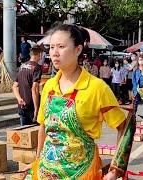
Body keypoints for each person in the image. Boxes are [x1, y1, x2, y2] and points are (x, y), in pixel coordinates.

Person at [23, 24, 126, 180]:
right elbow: (43, 127)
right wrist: (37, 160)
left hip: (81, 171)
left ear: (78, 50)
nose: (54, 53)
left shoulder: (97, 87)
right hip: (47, 171)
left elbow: (124, 128)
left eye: (61, 47)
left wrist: (116, 169)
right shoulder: (49, 86)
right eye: (51, 47)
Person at [12, 45, 42, 126]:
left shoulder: (21, 66)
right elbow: (34, 89)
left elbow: (15, 86)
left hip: (22, 105)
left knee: (24, 133)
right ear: (39, 54)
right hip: (32, 105)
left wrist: (19, 99)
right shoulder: (36, 67)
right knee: (34, 133)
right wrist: (36, 108)